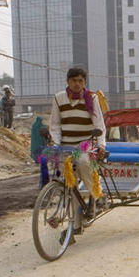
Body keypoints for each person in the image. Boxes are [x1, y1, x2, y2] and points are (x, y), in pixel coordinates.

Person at [48, 66, 107, 216]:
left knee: (83, 162)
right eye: (74, 80)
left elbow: (99, 124)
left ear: (84, 83)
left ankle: (98, 196)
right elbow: (54, 124)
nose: (77, 84)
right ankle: (75, 220)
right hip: (65, 144)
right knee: (66, 177)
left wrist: (101, 144)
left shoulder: (92, 98)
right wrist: (55, 144)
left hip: (85, 143)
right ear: (68, 81)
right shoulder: (58, 98)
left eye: (80, 81)